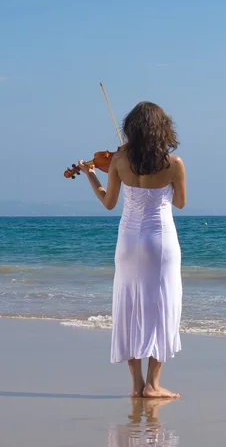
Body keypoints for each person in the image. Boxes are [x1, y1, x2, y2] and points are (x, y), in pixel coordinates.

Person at [78, 101, 186, 399]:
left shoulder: (118, 163)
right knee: (163, 305)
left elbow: (109, 202)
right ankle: (153, 384)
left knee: (129, 305)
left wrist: (90, 175)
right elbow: (180, 203)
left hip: (128, 240)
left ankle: (136, 385)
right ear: (162, 129)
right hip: (160, 240)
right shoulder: (174, 164)